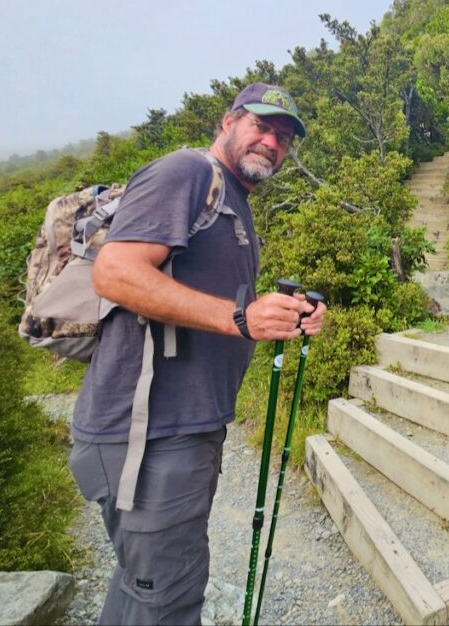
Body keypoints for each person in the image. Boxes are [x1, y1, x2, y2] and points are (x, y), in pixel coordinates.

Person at [68, 83, 326, 625]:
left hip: (183, 431)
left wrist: (282, 317)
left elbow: (220, 308)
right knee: (169, 602)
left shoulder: (235, 205)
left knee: (145, 592)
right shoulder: (186, 172)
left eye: (283, 137)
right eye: (261, 125)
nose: (272, 142)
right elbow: (114, 274)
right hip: (147, 435)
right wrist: (241, 318)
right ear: (228, 121)